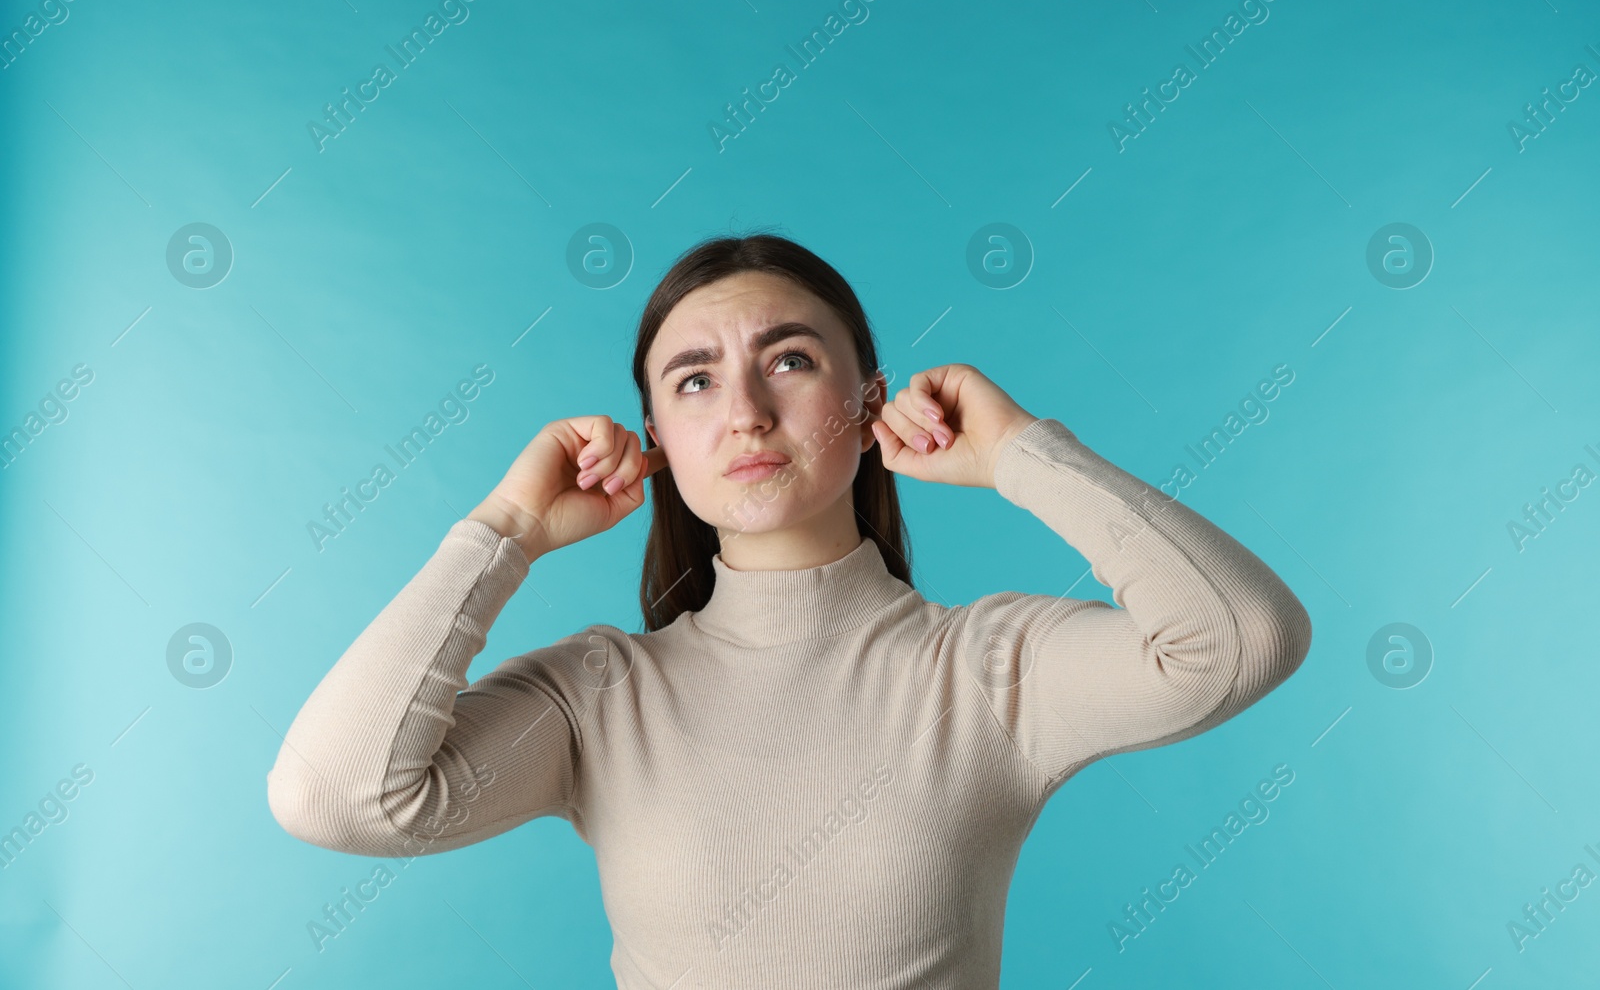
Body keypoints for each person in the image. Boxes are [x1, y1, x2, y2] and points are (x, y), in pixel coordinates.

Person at [266, 232, 1312, 988]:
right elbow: (336, 796)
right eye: (694, 380)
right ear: (656, 442)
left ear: (869, 405)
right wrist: (502, 530)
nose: (746, 412)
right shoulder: (598, 695)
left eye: (791, 360)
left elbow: (1242, 638)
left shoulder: (991, 668)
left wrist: (1022, 455)